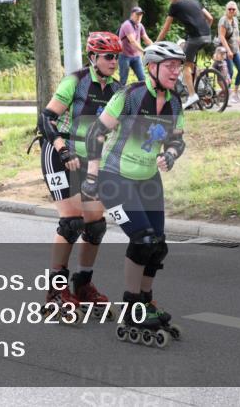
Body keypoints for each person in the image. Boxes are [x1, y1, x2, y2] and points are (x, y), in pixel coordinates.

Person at [82, 41, 187, 344]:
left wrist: (170, 155)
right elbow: (96, 133)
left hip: (148, 179)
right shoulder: (129, 96)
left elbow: (177, 141)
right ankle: (131, 305)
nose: (175, 71)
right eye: (170, 65)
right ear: (152, 67)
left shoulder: (175, 102)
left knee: (158, 244)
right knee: (142, 239)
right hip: (115, 178)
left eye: (178, 66)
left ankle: (146, 301)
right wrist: (91, 176)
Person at [35, 32, 123, 314]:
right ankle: (55, 289)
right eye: (109, 56)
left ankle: (83, 284)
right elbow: (46, 118)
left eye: (117, 56)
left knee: (96, 224)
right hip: (58, 152)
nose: (114, 61)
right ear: (93, 58)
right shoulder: (76, 81)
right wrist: (63, 150)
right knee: (72, 221)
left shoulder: (116, 90)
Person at [155, 0, 214, 109]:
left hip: (195, 38)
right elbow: (210, 18)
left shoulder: (175, 5)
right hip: (208, 36)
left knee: (185, 67)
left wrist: (156, 43)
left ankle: (192, 95)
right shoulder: (195, 2)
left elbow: (166, 27)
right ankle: (199, 84)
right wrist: (205, 30)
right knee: (191, 63)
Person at [219, 1, 240, 103]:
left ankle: (235, 93)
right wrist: (228, 51)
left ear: (236, 11)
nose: (231, 11)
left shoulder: (235, 20)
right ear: (226, 9)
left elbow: (237, 36)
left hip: (236, 50)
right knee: (229, 73)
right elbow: (221, 37)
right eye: (229, 9)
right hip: (226, 51)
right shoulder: (223, 20)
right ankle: (228, 96)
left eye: (233, 9)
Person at [117, 6, 153, 85]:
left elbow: (146, 39)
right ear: (132, 15)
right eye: (137, 15)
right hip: (124, 56)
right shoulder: (127, 25)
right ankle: (119, 96)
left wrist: (155, 48)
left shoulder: (140, 26)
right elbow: (132, 41)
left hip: (136, 56)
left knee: (143, 78)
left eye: (141, 15)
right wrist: (143, 51)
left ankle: (143, 96)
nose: (139, 17)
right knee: (123, 80)